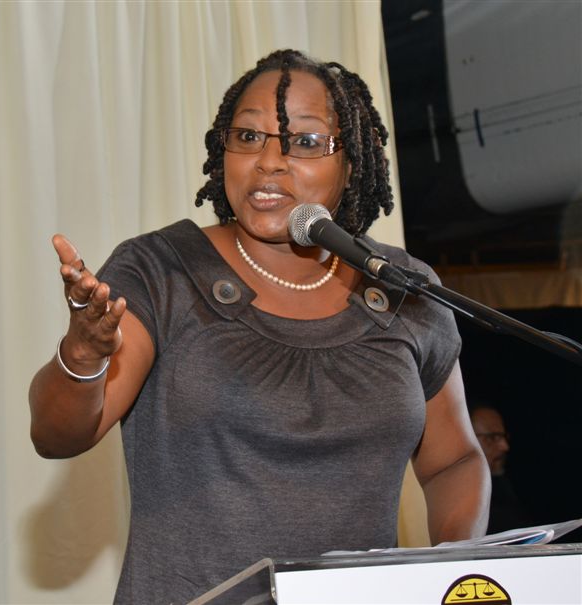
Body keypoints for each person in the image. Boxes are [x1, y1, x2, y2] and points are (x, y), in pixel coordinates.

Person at [29, 49, 490, 604]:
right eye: (248, 137)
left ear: (351, 163)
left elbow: (454, 461)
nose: (269, 161)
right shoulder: (162, 271)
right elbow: (57, 436)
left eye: (305, 142)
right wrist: (82, 356)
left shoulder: (401, 287)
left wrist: (455, 570)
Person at [469, 402, 533, 534]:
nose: (505, 446)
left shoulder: (504, 487)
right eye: (492, 438)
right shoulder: (453, 497)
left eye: (504, 436)